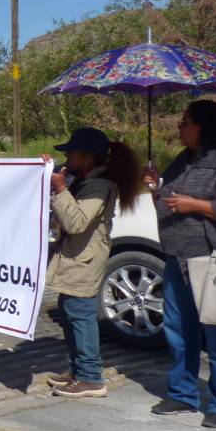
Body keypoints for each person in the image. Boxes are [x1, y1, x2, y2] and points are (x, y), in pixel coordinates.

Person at [145, 100, 216, 428]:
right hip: (177, 258)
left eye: (186, 122)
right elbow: (168, 203)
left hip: (214, 261)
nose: (180, 127)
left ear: (205, 126)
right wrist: (157, 187)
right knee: (178, 330)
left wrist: (196, 205)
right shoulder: (181, 162)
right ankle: (183, 394)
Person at [41, 127, 142, 398]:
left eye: (71, 152)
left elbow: (76, 222)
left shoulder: (98, 186)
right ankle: (77, 371)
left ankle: (90, 377)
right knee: (71, 311)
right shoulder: (85, 179)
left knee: (81, 315)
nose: (67, 157)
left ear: (86, 156)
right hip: (76, 257)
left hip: (84, 259)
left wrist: (60, 189)